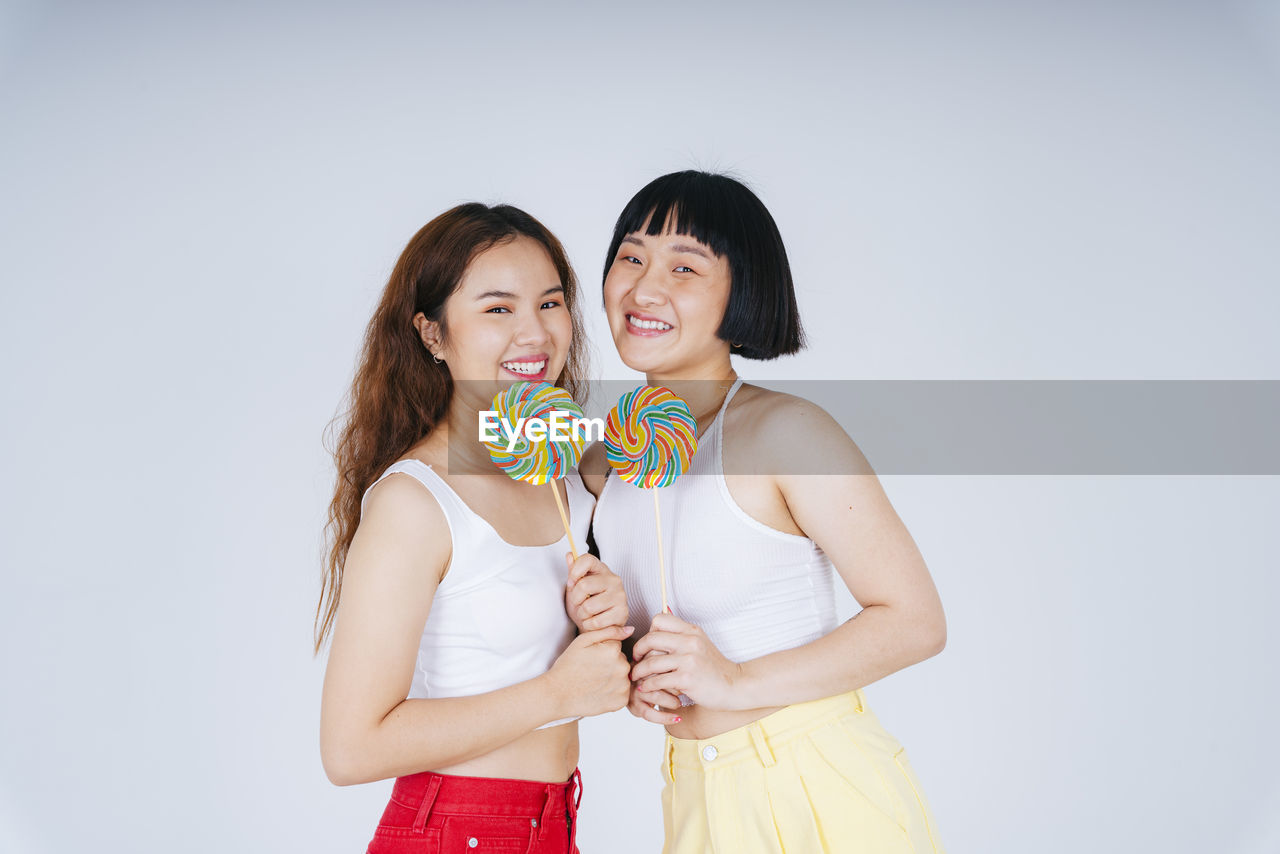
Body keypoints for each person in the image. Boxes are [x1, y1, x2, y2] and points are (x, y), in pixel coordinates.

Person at [582, 171, 948, 853]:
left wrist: (734, 680)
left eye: (684, 266)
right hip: (694, 795)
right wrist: (639, 675)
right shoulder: (607, 460)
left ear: (741, 292)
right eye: (631, 257)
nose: (644, 287)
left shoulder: (786, 431)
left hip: (817, 784)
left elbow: (917, 621)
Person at [316, 203, 632, 854]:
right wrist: (554, 693)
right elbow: (350, 748)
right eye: (497, 309)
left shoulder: (569, 475)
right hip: (454, 831)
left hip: (557, 825)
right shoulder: (415, 502)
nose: (534, 333)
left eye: (550, 303)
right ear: (433, 336)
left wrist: (616, 616)